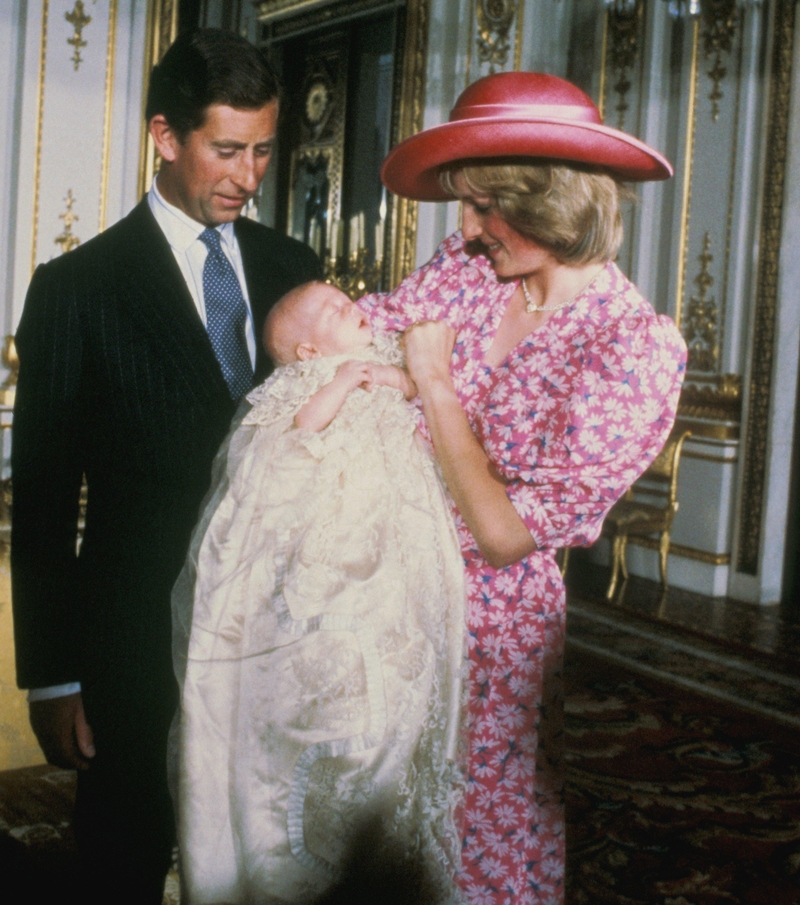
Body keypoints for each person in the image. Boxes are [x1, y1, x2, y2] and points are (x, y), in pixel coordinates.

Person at [358, 71, 688, 905]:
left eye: (484, 205)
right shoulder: (472, 268)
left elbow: (505, 534)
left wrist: (428, 382)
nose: (465, 226)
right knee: (369, 828)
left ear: (552, 202)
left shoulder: (630, 349)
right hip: (384, 587)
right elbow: (362, 339)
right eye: (463, 204)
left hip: (490, 630)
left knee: (476, 839)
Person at [11, 28, 321, 904]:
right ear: (164, 137)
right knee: (126, 847)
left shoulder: (294, 269)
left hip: (275, 633)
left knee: (269, 850)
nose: (248, 175)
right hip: (133, 643)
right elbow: (40, 502)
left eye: (263, 150)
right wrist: (54, 674)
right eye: (226, 149)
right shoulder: (77, 290)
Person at [171, 281, 466, 904]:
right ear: (307, 351)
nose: (352, 306)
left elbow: (416, 386)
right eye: (334, 311)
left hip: (393, 523)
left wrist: (389, 379)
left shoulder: (379, 357)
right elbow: (300, 430)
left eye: (346, 300)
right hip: (331, 531)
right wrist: (344, 379)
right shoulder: (304, 383)